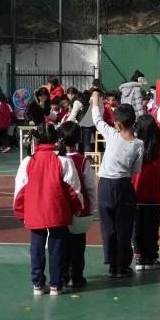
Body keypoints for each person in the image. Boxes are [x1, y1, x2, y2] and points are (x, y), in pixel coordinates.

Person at [13, 122, 84, 296]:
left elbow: (20, 190)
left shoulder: (28, 161)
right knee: (57, 248)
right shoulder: (64, 160)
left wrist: (20, 212)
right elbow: (74, 189)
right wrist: (77, 208)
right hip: (57, 210)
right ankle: (56, 285)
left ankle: (37, 284)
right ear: (56, 138)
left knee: (36, 247)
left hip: (35, 211)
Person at [90, 90, 143, 277]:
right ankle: (123, 265)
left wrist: (95, 101)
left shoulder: (112, 134)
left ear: (118, 123)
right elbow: (136, 170)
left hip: (105, 185)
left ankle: (112, 264)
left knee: (108, 228)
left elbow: (97, 119)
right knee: (124, 227)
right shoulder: (138, 144)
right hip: (124, 185)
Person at [57, 121, 95, 290]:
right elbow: (90, 187)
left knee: (61, 244)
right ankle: (76, 276)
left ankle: (63, 275)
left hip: (61, 209)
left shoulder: (56, 159)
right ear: (78, 139)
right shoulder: (82, 160)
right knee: (78, 245)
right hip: (80, 209)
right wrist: (92, 208)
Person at [132, 115, 160, 271]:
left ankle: (138, 256)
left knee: (136, 228)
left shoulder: (133, 148)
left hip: (135, 196)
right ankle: (150, 257)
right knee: (151, 229)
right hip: (154, 198)